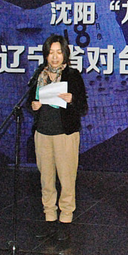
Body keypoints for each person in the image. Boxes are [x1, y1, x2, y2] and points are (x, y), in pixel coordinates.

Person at [30, 34, 87, 241]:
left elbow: (83, 106)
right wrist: (33, 105)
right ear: (46, 55)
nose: (54, 57)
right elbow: (30, 100)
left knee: (66, 178)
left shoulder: (72, 75)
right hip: (43, 133)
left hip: (65, 134)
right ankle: (49, 218)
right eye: (51, 53)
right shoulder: (39, 74)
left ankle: (66, 219)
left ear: (65, 54)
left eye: (59, 52)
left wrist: (72, 99)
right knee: (46, 179)